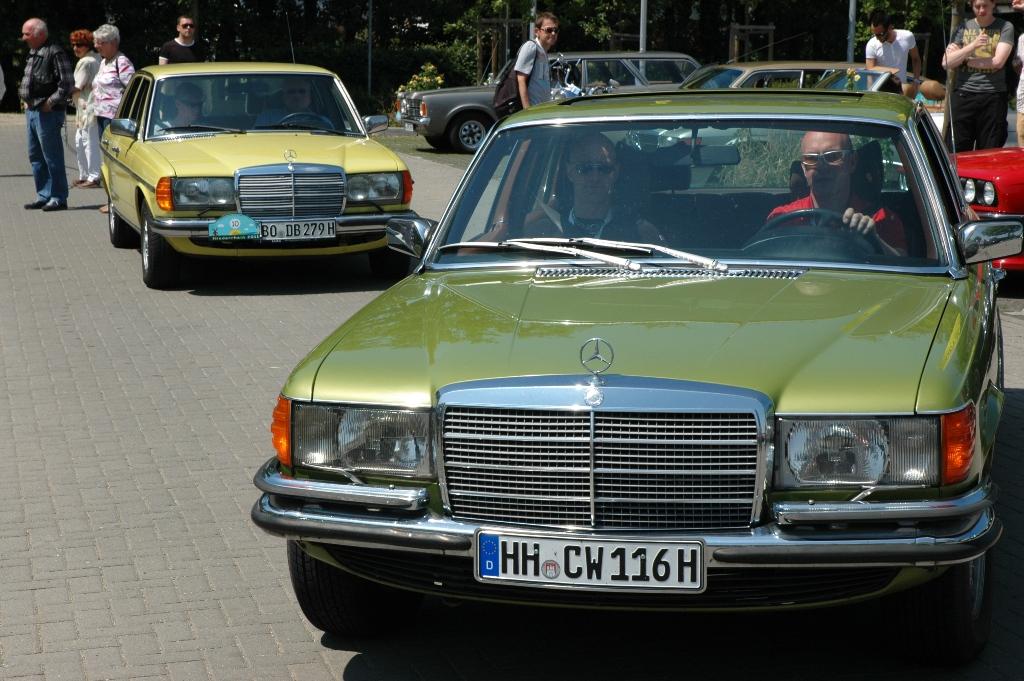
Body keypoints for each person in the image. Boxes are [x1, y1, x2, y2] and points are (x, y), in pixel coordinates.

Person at [766, 131, 905, 256]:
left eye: (832, 156)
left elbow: (902, 265)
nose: (821, 166)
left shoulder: (879, 219)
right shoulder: (783, 218)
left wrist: (875, 240)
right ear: (803, 169)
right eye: (811, 159)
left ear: (852, 162)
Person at [520, 132, 662, 243]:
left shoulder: (641, 233)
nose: (595, 177)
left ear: (616, 172)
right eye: (585, 168)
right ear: (570, 172)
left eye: (604, 168)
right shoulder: (543, 232)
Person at [942, 0, 1013, 152]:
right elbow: (946, 62)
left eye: (985, 6)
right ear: (971, 5)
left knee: (990, 150)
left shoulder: (1005, 27)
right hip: (964, 94)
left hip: (993, 95)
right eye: (977, 6)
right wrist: (972, 46)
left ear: (993, 4)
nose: (981, 10)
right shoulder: (963, 27)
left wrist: (964, 60)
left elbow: (997, 62)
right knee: (957, 149)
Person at [18, 18, 73, 212]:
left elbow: (67, 83)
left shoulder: (55, 52)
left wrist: (50, 103)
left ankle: (58, 197)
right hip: (32, 112)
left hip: (48, 113)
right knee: (36, 156)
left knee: (52, 156)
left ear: (40, 34)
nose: (23, 38)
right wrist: (26, 100)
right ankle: (44, 195)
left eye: (27, 34)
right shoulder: (34, 52)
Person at [91, 24, 134, 214]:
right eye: (96, 42)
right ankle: (111, 200)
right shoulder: (104, 62)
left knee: (115, 162)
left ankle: (117, 203)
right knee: (107, 162)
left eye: (100, 43)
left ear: (113, 43)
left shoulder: (122, 62)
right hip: (102, 117)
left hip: (115, 121)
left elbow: (132, 90)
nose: (96, 46)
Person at [69, 29, 101, 189]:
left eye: (80, 44)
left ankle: (94, 177)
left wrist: (59, 93)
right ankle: (85, 175)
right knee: (81, 141)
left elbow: (77, 86)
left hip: (88, 107)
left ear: (88, 45)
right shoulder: (96, 58)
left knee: (88, 142)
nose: (76, 48)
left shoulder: (86, 62)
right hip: (86, 107)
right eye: (74, 44)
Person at [865, 11, 922, 98]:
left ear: (890, 27)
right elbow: (870, 71)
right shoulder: (872, 44)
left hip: (903, 91)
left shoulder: (907, 37)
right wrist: (871, 95)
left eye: (880, 34)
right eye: (874, 34)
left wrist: (916, 81)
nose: (877, 38)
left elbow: (916, 59)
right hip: (881, 91)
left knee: (908, 89)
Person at [514, 12, 559, 110]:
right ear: (537, 31)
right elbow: (521, 79)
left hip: (541, 111)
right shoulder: (530, 47)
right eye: (549, 30)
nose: (553, 33)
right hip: (532, 112)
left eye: (556, 30)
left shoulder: (543, 52)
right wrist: (528, 111)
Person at [254, 79, 331, 127]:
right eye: (291, 92)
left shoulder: (322, 122)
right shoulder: (267, 118)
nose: (297, 96)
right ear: (283, 96)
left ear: (310, 96)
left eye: (302, 91)